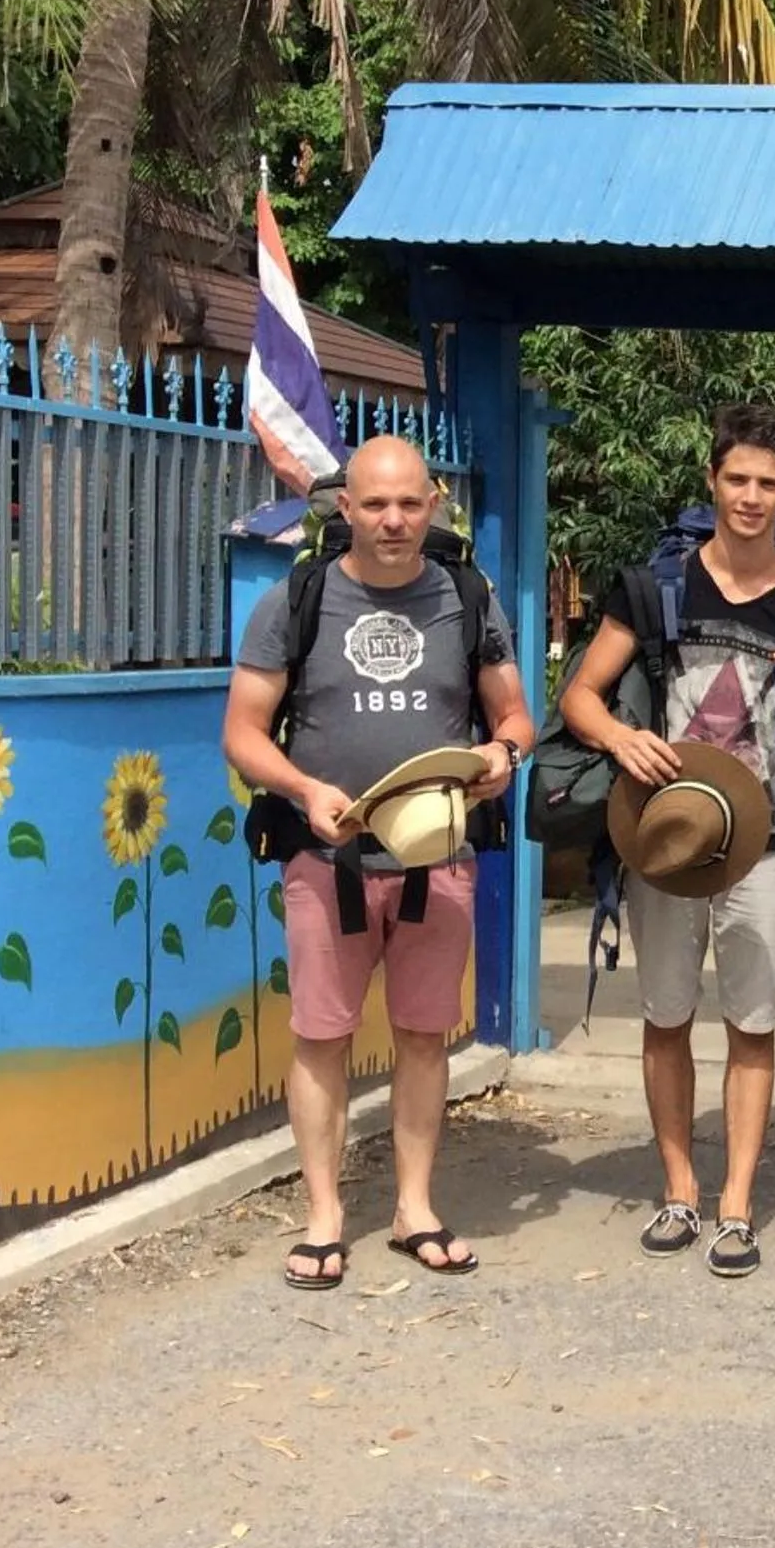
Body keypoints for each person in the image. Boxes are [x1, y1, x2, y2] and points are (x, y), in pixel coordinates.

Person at [223, 436, 533, 1290]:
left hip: (439, 855)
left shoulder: (468, 595)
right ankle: (324, 1217)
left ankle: (414, 1208)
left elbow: (515, 715)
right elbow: (243, 733)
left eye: (408, 504)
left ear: (431, 505)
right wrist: (302, 787)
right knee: (321, 1036)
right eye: (375, 504)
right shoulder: (299, 597)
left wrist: (502, 757)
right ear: (346, 508)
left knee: (424, 1036)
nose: (393, 520)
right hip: (329, 858)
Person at [563, 403, 775, 1279]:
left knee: (752, 1023)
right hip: (663, 835)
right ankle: (679, 1188)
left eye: (769, 483)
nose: (752, 497)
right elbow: (582, 695)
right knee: (665, 1015)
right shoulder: (652, 587)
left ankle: (736, 1203)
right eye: (738, 479)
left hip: (764, 846)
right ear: (712, 480)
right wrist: (620, 739)